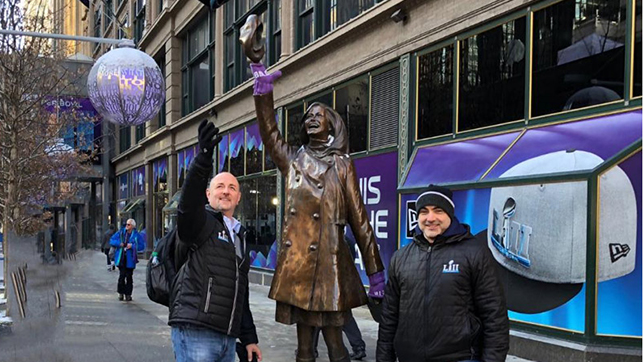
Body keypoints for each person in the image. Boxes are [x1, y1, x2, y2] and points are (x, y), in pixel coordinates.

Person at [251, 62, 385, 362]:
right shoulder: (293, 161)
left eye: (319, 116)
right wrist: (263, 91)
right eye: (308, 116)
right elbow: (270, 133)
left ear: (331, 124)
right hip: (298, 267)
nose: (312, 120)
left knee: (336, 345)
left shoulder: (342, 164)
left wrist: (376, 273)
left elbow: (359, 219)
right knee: (303, 348)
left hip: (329, 267)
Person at [376, 185, 509, 362]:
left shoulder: (475, 253)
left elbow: (494, 316)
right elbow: (389, 317)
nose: (430, 218)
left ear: (450, 214)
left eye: (438, 210)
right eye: (424, 212)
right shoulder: (401, 257)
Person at [169, 120, 262, 362]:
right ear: (208, 194)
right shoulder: (201, 222)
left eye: (232, 187)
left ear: (239, 197)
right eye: (219, 186)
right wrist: (204, 158)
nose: (226, 191)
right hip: (196, 330)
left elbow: (240, 290)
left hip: (227, 336)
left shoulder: (239, 235)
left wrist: (249, 337)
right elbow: (187, 204)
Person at [109, 219, 145, 301]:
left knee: (129, 277)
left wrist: (132, 246)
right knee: (122, 276)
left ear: (132, 226)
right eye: (126, 224)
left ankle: (128, 294)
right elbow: (112, 240)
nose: (126, 226)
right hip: (121, 257)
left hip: (130, 259)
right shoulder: (121, 233)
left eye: (128, 225)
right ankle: (121, 293)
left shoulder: (136, 235)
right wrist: (119, 244)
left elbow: (142, 246)